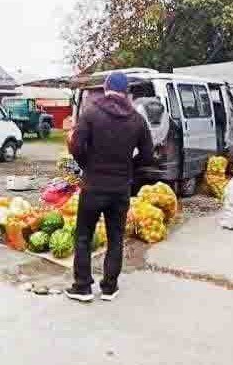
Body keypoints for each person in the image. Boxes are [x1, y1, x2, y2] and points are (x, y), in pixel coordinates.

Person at [65, 72, 154, 302]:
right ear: (126, 92)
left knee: (84, 236)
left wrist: (88, 166)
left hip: (93, 186)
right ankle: (109, 287)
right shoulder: (137, 119)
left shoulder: (91, 113)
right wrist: (129, 169)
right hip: (120, 188)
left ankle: (82, 287)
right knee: (115, 238)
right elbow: (147, 155)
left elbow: (76, 146)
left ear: (106, 88)